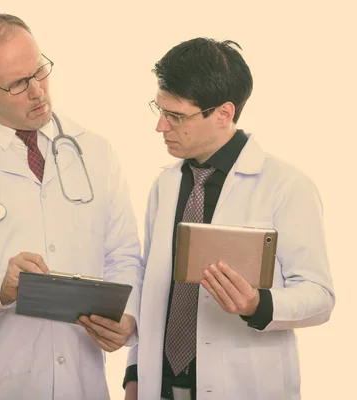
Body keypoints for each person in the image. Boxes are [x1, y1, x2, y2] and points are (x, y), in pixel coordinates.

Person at [0, 13, 144, 400]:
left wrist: (128, 317)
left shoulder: (96, 152)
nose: (38, 91)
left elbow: (123, 254)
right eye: (18, 83)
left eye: (40, 71)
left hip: (81, 380)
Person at [123, 38, 335, 400]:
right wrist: (134, 375)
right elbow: (154, 288)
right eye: (159, 110)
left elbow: (320, 296)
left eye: (176, 116)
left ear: (223, 113)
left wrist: (258, 305)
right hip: (160, 388)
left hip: (242, 387)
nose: (161, 126)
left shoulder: (285, 187)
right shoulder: (166, 184)